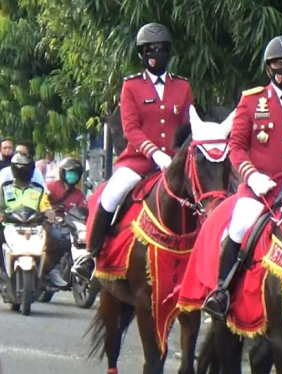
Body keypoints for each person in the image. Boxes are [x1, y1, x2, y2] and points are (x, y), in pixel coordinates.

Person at [202, 35, 282, 319]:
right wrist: (251, 175)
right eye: (279, 63)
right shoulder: (251, 101)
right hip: (261, 189)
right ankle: (222, 291)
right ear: (268, 67)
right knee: (238, 228)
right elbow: (236, 147)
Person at [71, 22, 193, 280]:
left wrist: (178, 154)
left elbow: (187, 125)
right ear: (141, 54)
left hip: (175, 162)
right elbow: (131, 129)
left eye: (160, 50)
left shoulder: (182, 87)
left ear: (168, 53)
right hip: (139, 161)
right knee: (111, 195)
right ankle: (92, 255)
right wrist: (154, 153)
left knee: (204, 198)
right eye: (149, 50)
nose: (155, 55)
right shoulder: (132, 86)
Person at [0, 153, 62, 285]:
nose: (23, 170)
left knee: (59, 238)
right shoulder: (5, 188)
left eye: (26, 167)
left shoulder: (38, 189)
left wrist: (49, 212)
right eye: (20, 167)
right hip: (9, 226)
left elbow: (45, 205)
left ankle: (49, 270)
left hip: (34, 227)